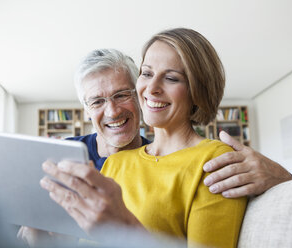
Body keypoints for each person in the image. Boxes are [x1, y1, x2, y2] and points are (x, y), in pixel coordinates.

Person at [19, 47, 292, 245]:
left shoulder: (210, 160)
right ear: (86, 110)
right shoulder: (91, 160)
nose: (113, 111)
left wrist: (284, 179)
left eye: (121, 94)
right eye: (147, 74)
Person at [39, 28, 247, 247]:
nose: (152, 88)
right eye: (146, 73)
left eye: (171, 78)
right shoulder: (117, 162)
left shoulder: (214, 160)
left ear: (198, 90)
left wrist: (125, 229)